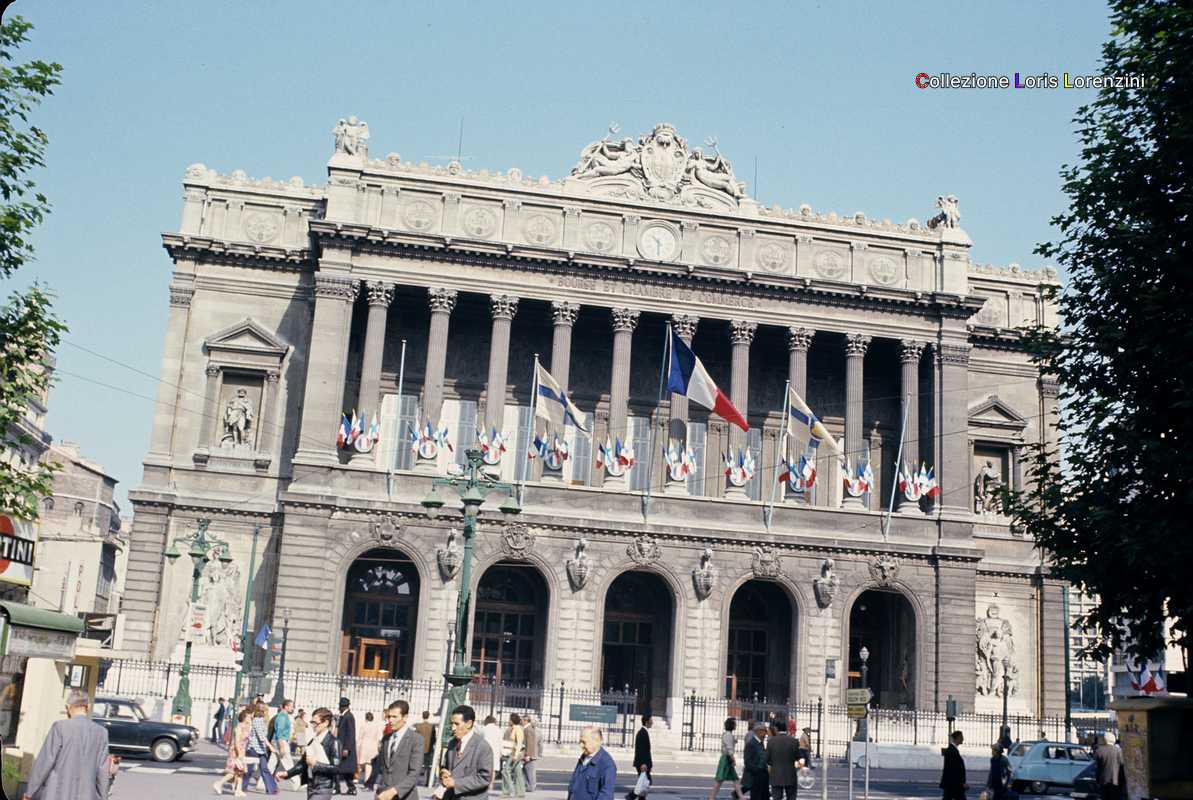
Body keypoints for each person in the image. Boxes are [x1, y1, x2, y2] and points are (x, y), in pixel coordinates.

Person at [24, 689, 110, 800]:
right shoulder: (101, 732)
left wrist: (30, 792)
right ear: (88, 707)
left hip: (57, 793)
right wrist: (103, 796)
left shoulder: (60, 727)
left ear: (68, 707)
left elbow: (45, 761)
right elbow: (103, 771)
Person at [276, 707, 352, 800]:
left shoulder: (334, 742)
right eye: (312, 722)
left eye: (315, 723)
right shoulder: (312, 740)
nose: (313, 726)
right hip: (311, 785)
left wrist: (316, 764)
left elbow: (336, 768)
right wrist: (287, 774)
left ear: (326, 723)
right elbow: (303, 763)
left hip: (324, 787)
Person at [433, 704, 493, 800]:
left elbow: (484, 778)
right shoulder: (452, 743)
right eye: (452, 723)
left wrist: (456, 783)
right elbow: (446, 766)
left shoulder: (483, 747)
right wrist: (443, 773)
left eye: (457, 724)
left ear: (469, 723)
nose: (453, 728)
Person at [374, 700, 422, 800]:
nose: (390, 720)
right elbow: (384, 769)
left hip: (405, 796)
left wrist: (394, 791)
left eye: (394, 717)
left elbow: (414, 773)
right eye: (389, 716)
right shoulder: (386, 739)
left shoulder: (416, 739)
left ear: (405, 717)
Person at [566, 726, 616, 800]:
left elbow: (606, 795)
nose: (581, 745)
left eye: (584, 742)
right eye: (580, 741)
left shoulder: (607, 765)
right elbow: (573, 786)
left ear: (596, 741)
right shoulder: (584, 757)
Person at [215, 708, 252, 797]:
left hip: (242, 751)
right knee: (233, 772)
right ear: (244, 717)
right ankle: (219, 783)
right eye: (249, 717)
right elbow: (236, 742)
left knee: (240, 771)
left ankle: (238, 790)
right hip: (235, 751)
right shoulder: (239, 727)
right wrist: (239, 753)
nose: (250, 718)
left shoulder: (247, 727)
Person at [245, 701, 279, 795]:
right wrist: (270, 746)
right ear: (261, 710)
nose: (267, 710)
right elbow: (261, 736)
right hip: (254, 748)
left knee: (264, 768)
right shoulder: (256, 720)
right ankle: (242, 786)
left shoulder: (261, 720)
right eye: (265, 708)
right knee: (249, 769)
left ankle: (272, 788)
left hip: (261, 749)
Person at [709, 717, 744, 800]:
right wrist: (733, 759)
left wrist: (734, 741)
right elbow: (729, 748)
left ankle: (741, 797)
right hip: (726, 759)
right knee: (719, 780)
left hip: (727, 759)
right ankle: (711, 797)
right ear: (731, 725)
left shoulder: (728, 734)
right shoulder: (728, 735)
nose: (736, 725)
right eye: (734, 724)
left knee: (735, 779)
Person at [766, 717, 801, 800]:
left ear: (776, 729)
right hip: (790, 775)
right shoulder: (794, 741)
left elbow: (767, 759)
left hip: (776, 775)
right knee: (791, 797)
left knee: (777, 798)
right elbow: (798, 757)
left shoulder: (771, 741)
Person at [627, 714, 653, 800]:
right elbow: (641, 750)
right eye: (651, 720)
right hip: (642, 764)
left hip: (643, 763)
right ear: (647, 722)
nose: (652, 722)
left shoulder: (643, 732)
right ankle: (631, 796)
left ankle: (634, 797)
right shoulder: (642, 733)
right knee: (645, 782)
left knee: (643, 783)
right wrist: (643, 764)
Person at [273, 700, 297, 790]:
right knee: (288, 763)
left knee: (272, 763)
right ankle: (296, 782)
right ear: (286, 707)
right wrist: (282, 747)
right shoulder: (282, 717)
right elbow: (279, 732)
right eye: (291, 706)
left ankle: (262, 783)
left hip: (280, 741)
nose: (293, 708)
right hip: (281, 741)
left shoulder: (284, 716)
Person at [337, 697, 358, 795]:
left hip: (346, 747)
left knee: (340, 768)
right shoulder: (344, 716)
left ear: (343, 706)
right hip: (342, 746)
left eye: (340, 706)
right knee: (344, 769)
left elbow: (351, 733)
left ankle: (338, 788)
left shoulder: (349, 717)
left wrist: (346, 748)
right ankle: (351, 788)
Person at [501, 713, 526, 797]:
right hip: (515, 752)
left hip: (516, 753)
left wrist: (515, 755)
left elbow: (519, 743)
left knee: (505, 771)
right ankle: (520, 792)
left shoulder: (518, 729)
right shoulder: (514, 728)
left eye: (509, 720)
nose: (508, 721)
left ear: (512, 721)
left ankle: (508, 790)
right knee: (518, 772)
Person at [357, 711, 384, 789]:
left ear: (366, 718)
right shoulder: (376, 726)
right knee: (369, 764)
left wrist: (358, 746)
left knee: (361, 764)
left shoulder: (364, 725)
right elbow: (378, 737)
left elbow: (360, 737)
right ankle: (367, 781)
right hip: (373, 746)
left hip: (365, 745)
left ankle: (355, 778)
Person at [742, 724, 769, 800]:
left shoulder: (760, 743)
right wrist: (757, 770)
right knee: (756, 796)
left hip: (763, 775)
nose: (766, 734)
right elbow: (747, 761)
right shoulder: (751, 744)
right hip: (756, 776)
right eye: (765, 731)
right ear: (759, 732)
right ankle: (736, 794)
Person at [1095, 732, 1124, 800]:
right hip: (1116, 782)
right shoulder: (1119, 751)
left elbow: (1098, 768)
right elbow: (1122, 767)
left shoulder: (1099, 751)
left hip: (1103, 782)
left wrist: (1097, 780)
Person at [940, 731, 967, 800]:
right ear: (957, 738)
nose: (963, 739)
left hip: (952, 784)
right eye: (961, 737)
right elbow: (954, 769)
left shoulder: (953, 750)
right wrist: (962, 783)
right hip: (954, 784)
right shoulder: (952, 751)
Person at [482, 714, 503, 790]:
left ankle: (484, 782)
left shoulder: (484, 729)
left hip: (485, 750)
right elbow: (501, 742)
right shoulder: (499, 730)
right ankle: (491, 784)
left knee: (484, 767)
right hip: (496, 751)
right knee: (493, 768)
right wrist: (501, 752)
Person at [414, 711, 437, 781]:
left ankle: (415, 781)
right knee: (428, 766)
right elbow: (434, 738)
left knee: (417, 765)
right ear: (428, 716)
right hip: (429, 748)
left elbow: (415, 738)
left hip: (420, 748)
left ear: (422, 716)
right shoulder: (432, 726)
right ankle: (427, 781)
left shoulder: (418, 726)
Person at [522, 715, 539, 792]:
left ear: (526, 721)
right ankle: (528, 785)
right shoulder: (528, 729)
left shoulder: (528, 729)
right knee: (527, 770)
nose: (521, 722)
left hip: (530, 754)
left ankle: (531, 786)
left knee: (530, 771)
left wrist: (528, 755)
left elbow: (530, 743)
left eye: (522, 720)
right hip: (529, 753)